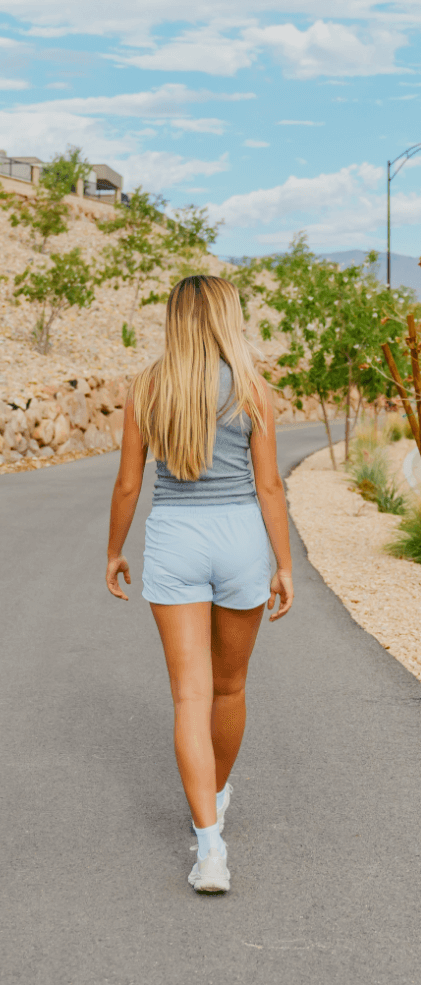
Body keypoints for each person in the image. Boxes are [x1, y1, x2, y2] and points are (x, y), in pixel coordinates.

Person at [105, 274, 294, 894]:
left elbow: (130, 484)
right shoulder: (251, 387)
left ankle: (210, 848)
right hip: (240, 535)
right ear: (225, 317)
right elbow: (270, 486)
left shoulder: (148, 387)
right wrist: (284, 564)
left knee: (190, 696)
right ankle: (212, 795)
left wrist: (113, 552)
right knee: (229, 686)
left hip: (174, 536)